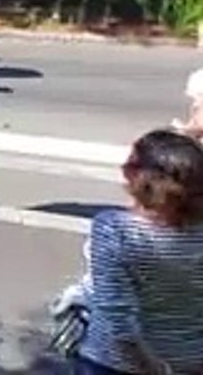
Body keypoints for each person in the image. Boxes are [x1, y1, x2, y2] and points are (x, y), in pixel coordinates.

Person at [72, 130, 203, 375]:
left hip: (115, 363)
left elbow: (118, 319)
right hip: (191, 359)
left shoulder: (114, 228)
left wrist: (152, 367)